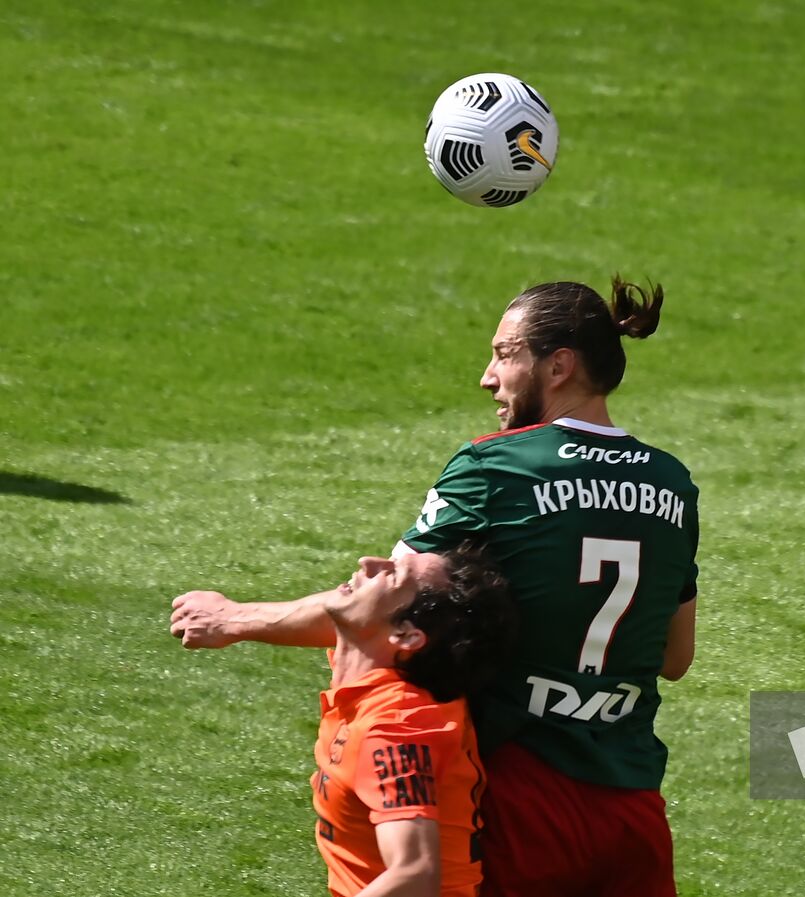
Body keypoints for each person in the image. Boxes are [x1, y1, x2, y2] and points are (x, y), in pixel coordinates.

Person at [171, 277, 700, 897]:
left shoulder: (494, 467)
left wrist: (235, 618)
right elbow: (674, 658)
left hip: (514, 792)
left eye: (505, 354)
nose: (487, 376)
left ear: (558, 365)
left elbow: (382, 608)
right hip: (629, 802)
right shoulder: (673, 483)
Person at [313, 542, 514, 897]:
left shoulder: (397, 726)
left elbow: (416, 874)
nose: (368, 563)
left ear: (406, 635)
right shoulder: (364, 689)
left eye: (394, 576)